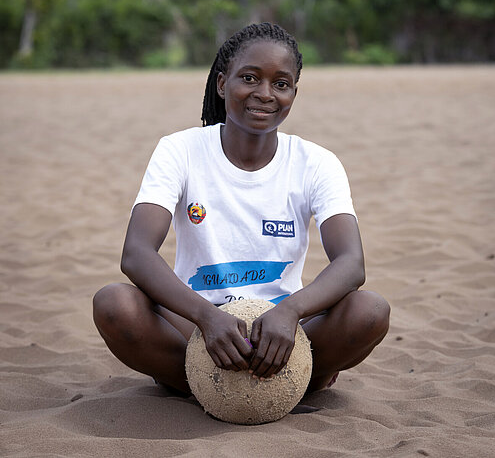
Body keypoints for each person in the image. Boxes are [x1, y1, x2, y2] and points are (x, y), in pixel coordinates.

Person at [93, 22, 390, 395]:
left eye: (281, 84)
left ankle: (287, 381)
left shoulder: (316, 162)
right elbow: (136, 253)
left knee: (370, 311)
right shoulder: (179, 150)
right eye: (249, 78)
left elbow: (351, 262)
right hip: (196, 325)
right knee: (114, 303)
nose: (264, 94)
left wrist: (290, 312)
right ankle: (209, 380)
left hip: (285, 331)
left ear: (294, 93)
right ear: (222, 84)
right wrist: (206, 317)